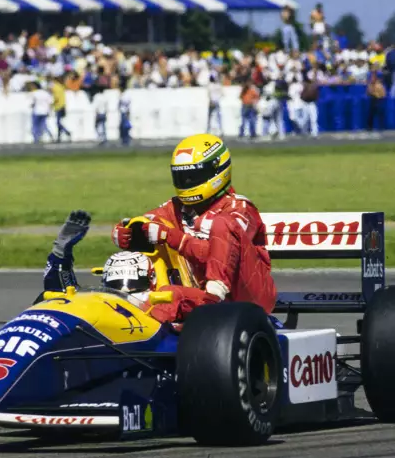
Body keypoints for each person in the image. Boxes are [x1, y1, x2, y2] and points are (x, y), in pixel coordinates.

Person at [111, 133, 276, 323]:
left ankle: (213, 298)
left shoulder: (240, 209)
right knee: (166, 296)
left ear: (218, 170)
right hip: (203, 296)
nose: (187, 183)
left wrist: (174, 238)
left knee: (221, 224)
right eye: (182, 176)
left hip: (250, 298)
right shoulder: (176, 208)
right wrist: (125, 232)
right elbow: (147, 221)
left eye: (193, 176)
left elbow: (221, 255)